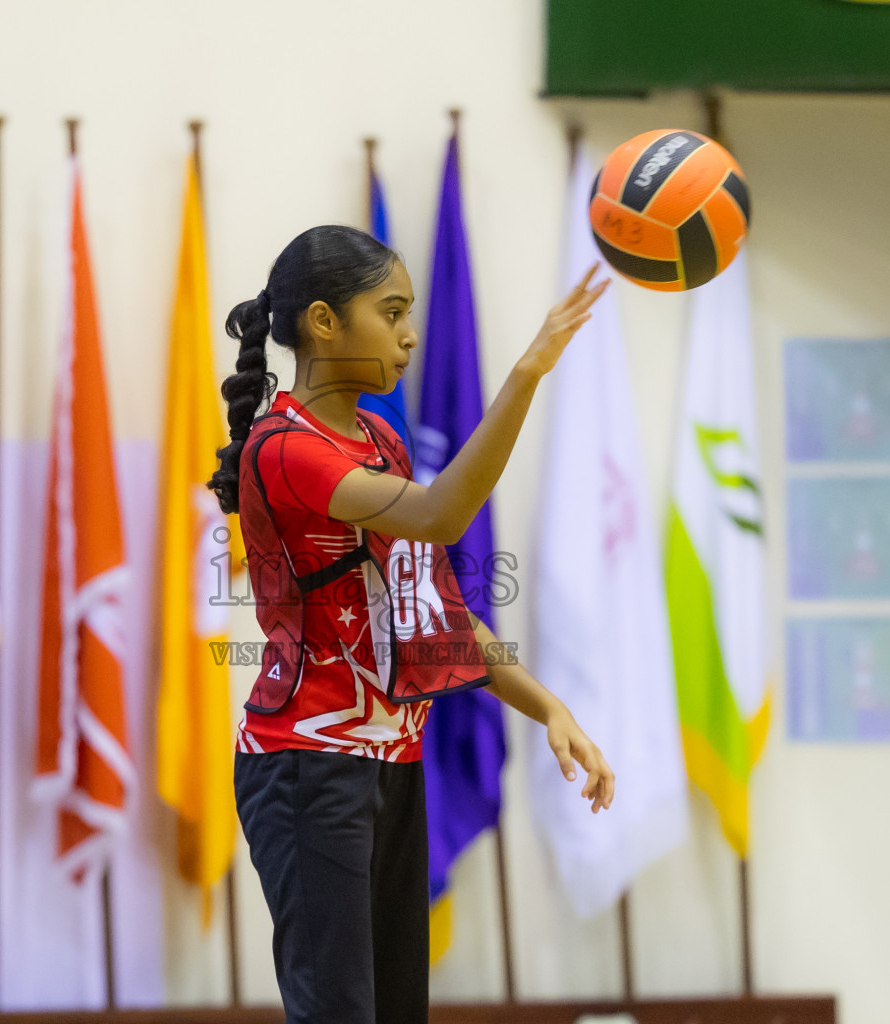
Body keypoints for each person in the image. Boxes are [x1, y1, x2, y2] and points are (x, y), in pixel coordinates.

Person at [207, 224, 614, 1024]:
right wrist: (526, 375)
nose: (410, 333)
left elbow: (436, 612)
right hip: (309, 766)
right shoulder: (283, 448)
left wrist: (548, 708)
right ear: (324, 322)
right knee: (339, 1014)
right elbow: (440, 514)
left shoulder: (382, 438)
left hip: (390, 762)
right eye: (390, 311)